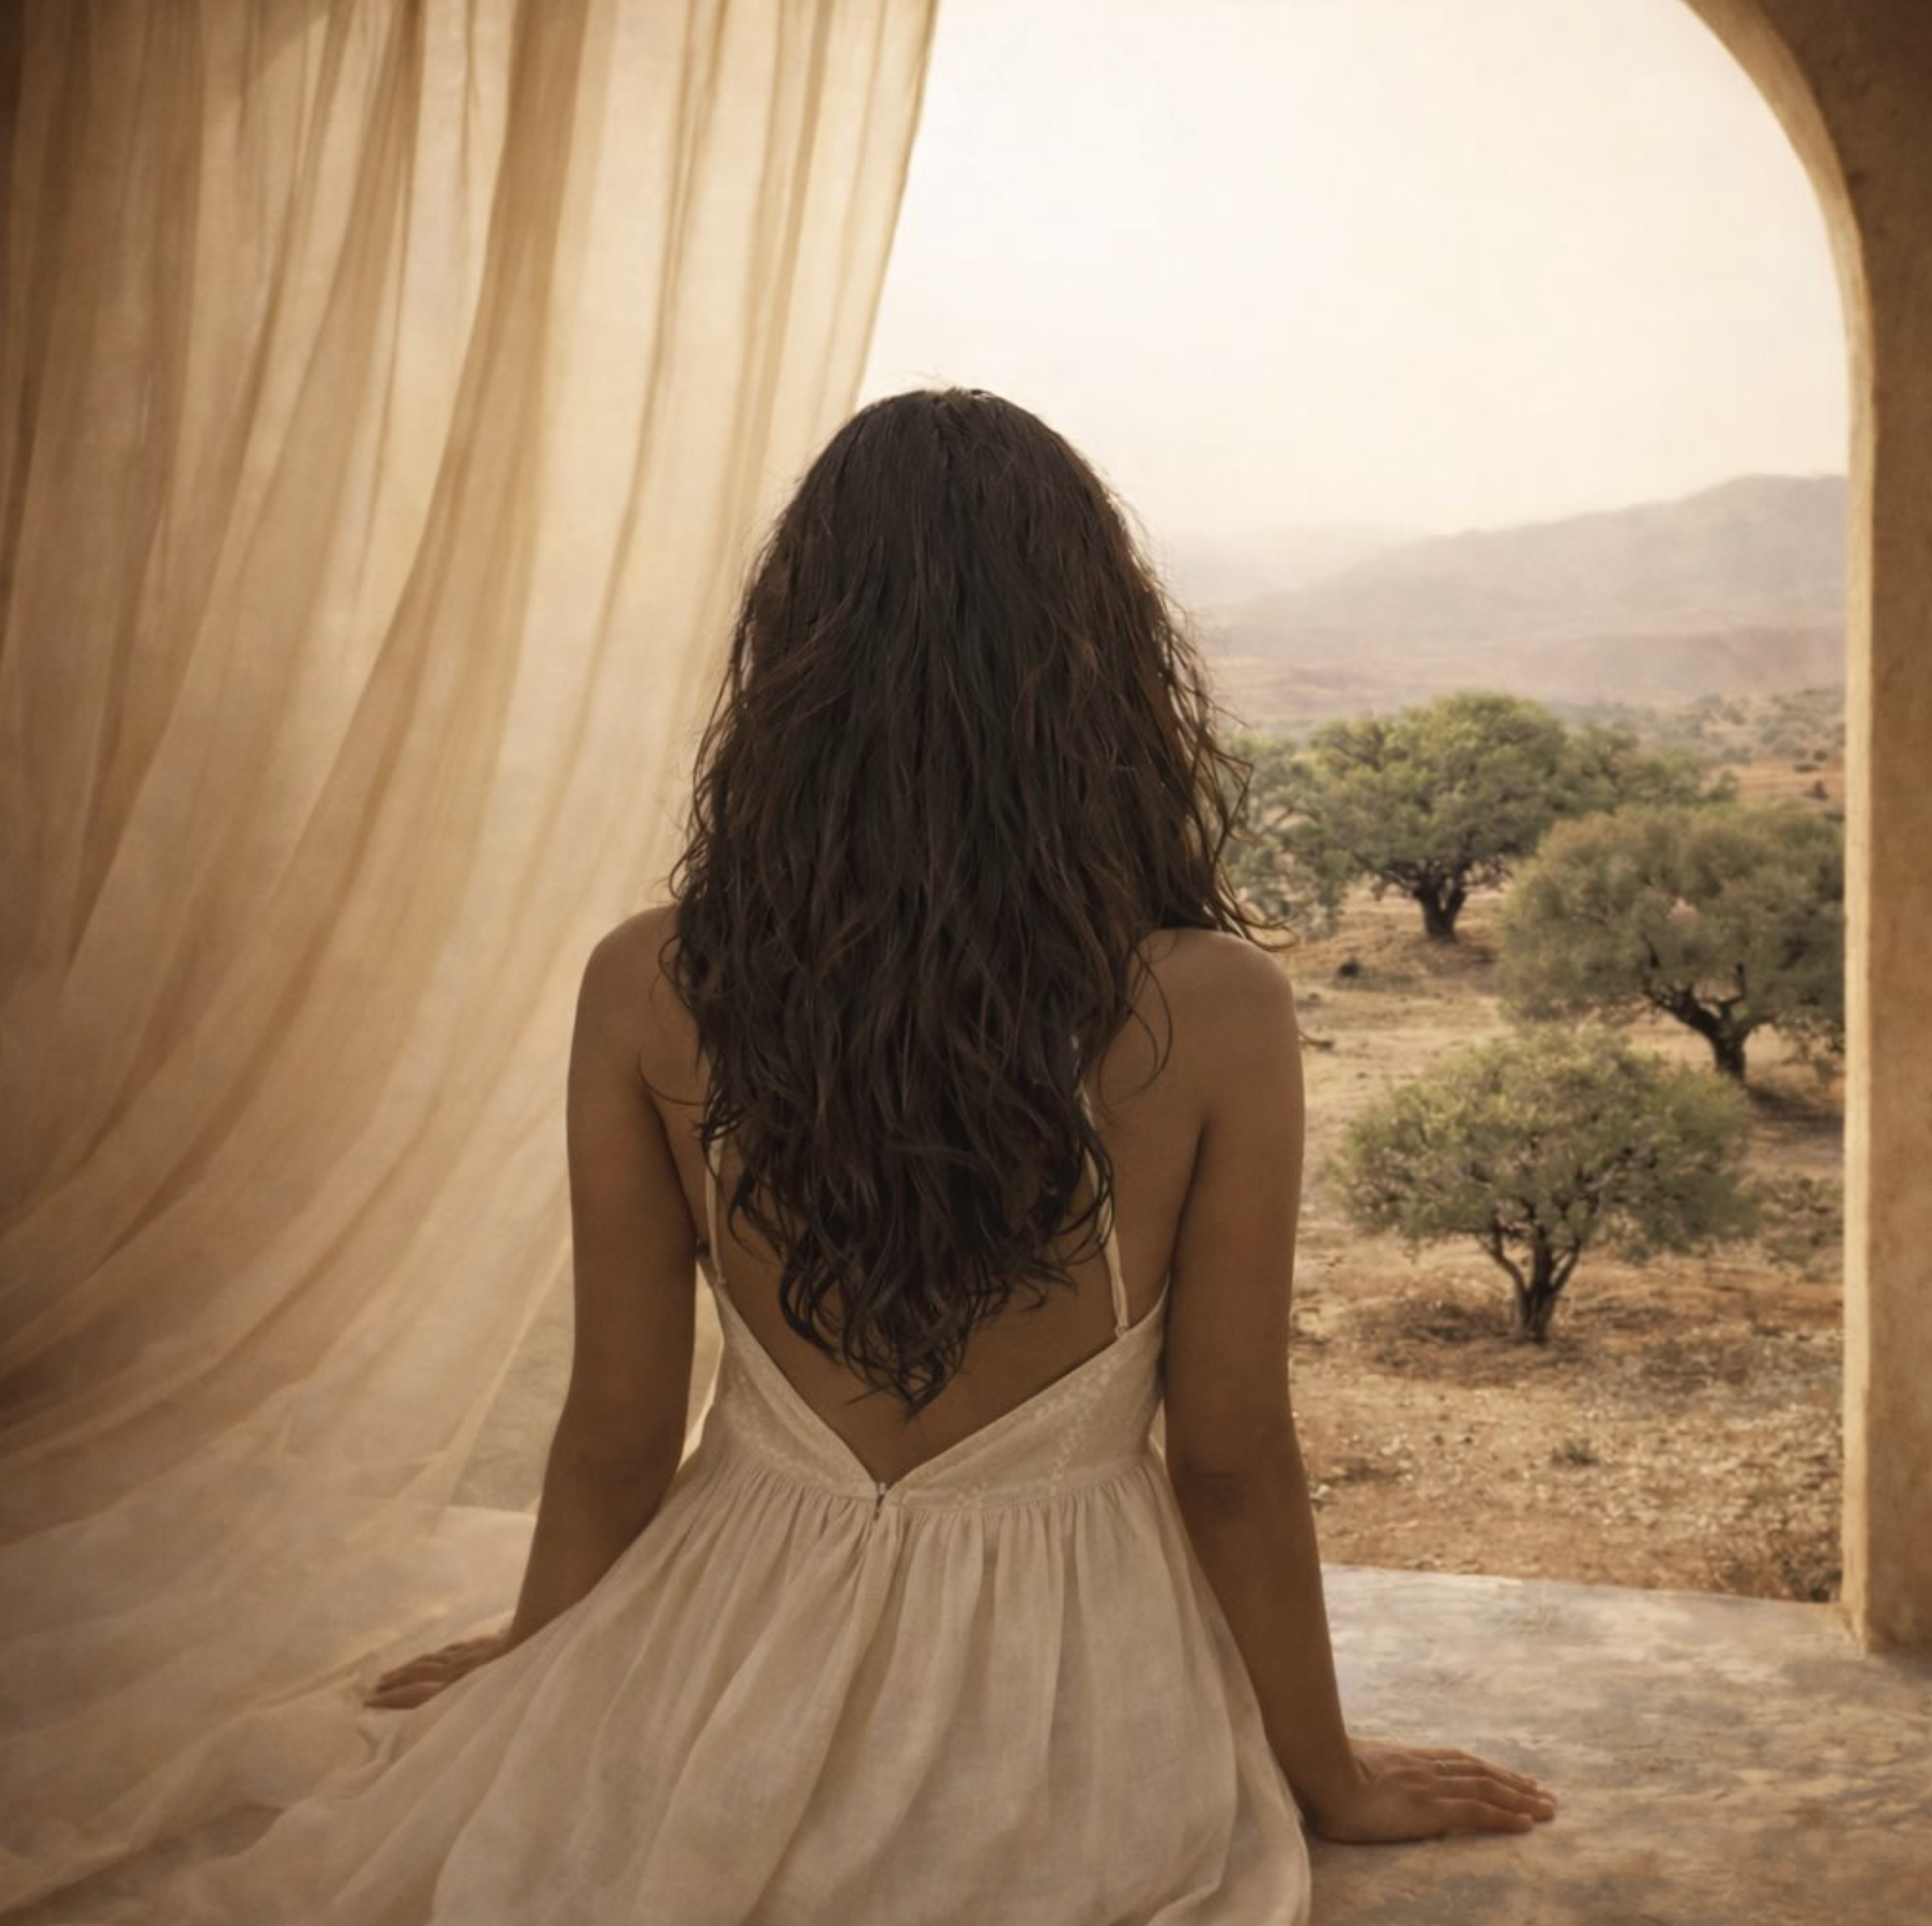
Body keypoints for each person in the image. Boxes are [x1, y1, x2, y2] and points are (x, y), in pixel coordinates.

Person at [258, 389, 1555, 1921]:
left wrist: (551, 1670)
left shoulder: (648, 982)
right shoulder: (1215, 1007)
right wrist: (1323, 1768)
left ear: (794, 669)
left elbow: (615, 1433)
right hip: (1064, 1686)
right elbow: (1224, 1458)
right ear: (1103, 676)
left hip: (713, 1663)